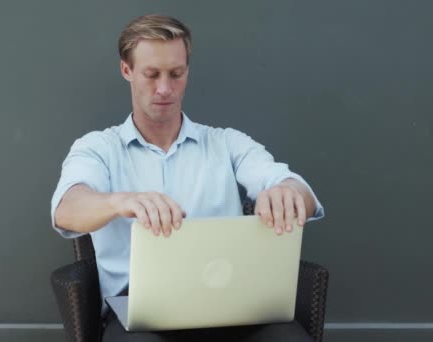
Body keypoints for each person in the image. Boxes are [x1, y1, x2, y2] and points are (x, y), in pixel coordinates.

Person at [51, 14, 325, 342]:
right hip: (141, 315)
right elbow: (67, 208)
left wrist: (288, 192)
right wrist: (120, 201)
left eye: (176, 74)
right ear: (127, 70)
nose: (165, 88)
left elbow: (297, 190)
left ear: (187, 72)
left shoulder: (226, 143)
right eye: (151, 74)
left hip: (233, 305)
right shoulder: (98, 148)